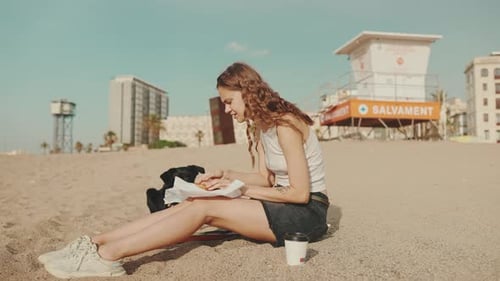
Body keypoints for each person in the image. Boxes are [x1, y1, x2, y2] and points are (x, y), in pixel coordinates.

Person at [39, 62, 330, 279]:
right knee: (194, 201)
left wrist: (240, 191)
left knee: (203, 209)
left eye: (229, 101)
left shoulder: (285, 124)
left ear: (248, 92)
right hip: (279, 205)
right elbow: (266, 178)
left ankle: (107, 257)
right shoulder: (261, 126)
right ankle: (93, 243)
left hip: (306, 215)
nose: (227, 109)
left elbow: (300, 193)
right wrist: (226, 177)